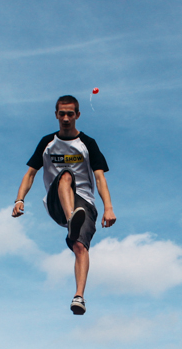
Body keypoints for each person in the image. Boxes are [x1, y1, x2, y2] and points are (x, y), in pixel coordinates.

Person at [12, 95, 116, 314]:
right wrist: (19, 199)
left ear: (78, 115)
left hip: (85, 203)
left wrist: (108, 207)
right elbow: (30, 173)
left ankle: (79, 296)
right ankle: (71, 219)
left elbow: (100, 179)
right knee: (66, 176)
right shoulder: (47, 143)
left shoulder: (88, 144)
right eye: (62, 114)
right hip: (57, 202)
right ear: (56, 115)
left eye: (70, 114)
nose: (66, 118)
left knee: (80, 246)